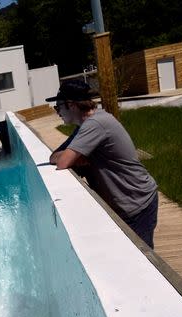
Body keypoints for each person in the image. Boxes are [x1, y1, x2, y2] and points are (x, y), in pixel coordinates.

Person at [48, 80, 159, 248]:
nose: (58, 112)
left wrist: (74, 156)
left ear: (71, 105)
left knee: (145, 262)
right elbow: (53, 156)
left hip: (137, 204)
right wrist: (75, 156)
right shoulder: (85, 125)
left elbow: (62, 161)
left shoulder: (95, 124)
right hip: (127, 203)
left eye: (58, 107)